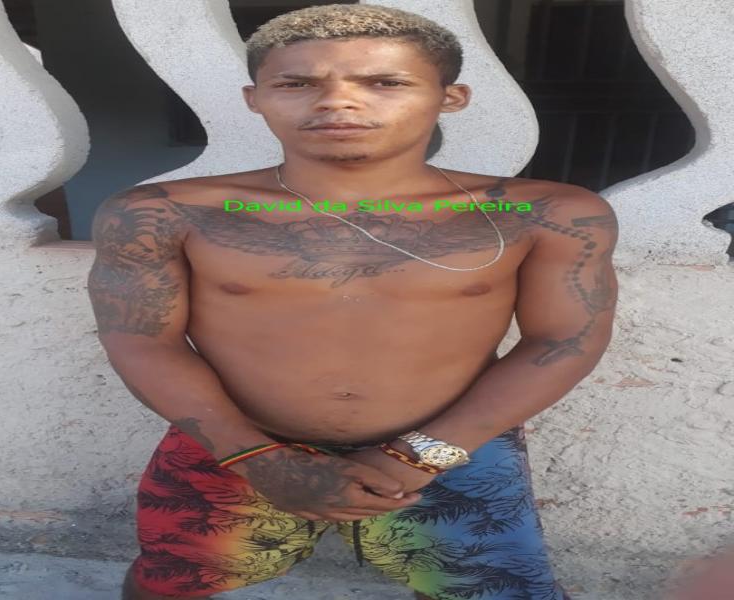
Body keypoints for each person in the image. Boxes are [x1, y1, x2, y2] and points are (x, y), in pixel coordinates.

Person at [87, 4, 618, 599]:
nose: (337, 102)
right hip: (231, 441)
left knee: (496, 592)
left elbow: (565, 340)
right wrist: (257, 456)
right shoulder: (163, 212)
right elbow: (143, 341)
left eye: (385, 82)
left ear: (451, 97)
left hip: (453, 445)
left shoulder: (544, 214)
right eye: (296, 84)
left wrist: (415, 458)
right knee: (170, 583)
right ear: (254, 99)